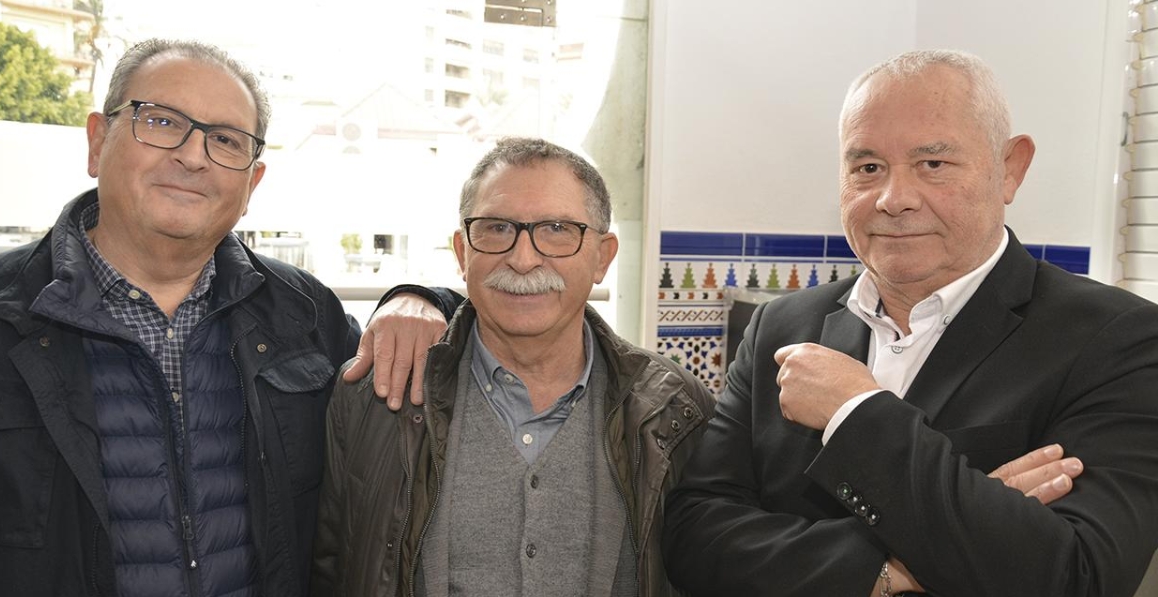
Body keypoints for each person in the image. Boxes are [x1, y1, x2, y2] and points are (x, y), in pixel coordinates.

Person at [0, 38, 452, 597]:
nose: (193, 156)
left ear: (251, 185)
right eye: (163, 121)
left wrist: (425, 297)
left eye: (224, 140)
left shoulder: (306, 315)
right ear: (97, 142)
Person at [662, 49, 1158, 597]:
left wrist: (857, 413)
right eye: (868, 168)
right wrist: (889, 569)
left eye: (933, 164)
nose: (893, 199)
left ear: (1010, 168)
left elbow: (1077, 575)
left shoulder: (1118, 340)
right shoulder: (780, 327)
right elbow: (694, 539)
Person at [311, 137, 716, 597]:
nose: (523, 259)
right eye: (497, 228)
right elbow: (332, 568)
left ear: (602, 256)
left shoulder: (677, 411)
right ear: (463, 254)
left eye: (558, 229)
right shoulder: (375, 397)